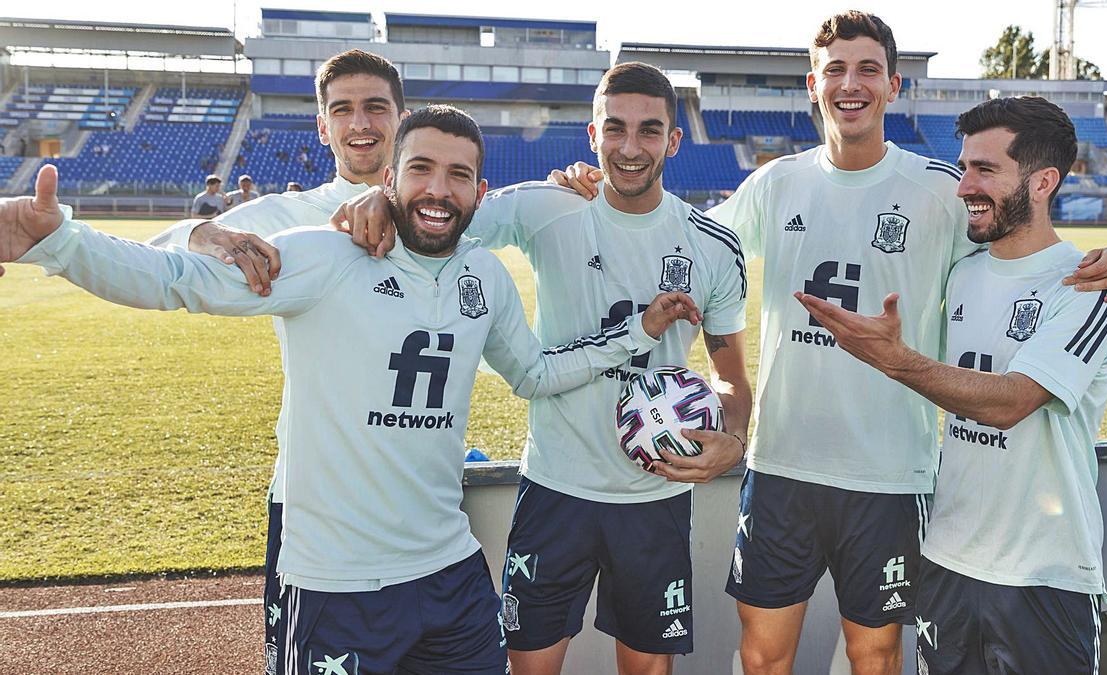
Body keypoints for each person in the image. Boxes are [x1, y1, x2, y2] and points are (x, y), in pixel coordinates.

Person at [1, 105, 701, 675]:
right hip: (337, 584)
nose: (439, 189)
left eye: (459, 176)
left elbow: (536, 374)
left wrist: (638, 328)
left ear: (479, 195)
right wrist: (59, 241)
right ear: (387, 179)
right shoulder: (324, 257)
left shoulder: (482, 279)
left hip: (451, 574)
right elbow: (173, 281)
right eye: (421, 168)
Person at [549, 11, 1107, 675]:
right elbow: (686, 246)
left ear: (891, 87)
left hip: (890, 473)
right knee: (763, 655)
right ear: (813, 83)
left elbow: (1020, 245)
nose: (849, 83)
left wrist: (1106, 260)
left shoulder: (946, 189)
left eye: (867, 69)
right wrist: (604, 194)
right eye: (835, 69)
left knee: (876, 655)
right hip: (782, 467)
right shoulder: (777, 182)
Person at [332, 62, 753, 675]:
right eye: (615, 129)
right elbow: (441, 209)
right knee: (528, 667)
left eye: (649, 130)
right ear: (592, 134)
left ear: (674, 139)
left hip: (653, 495)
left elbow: (731, 375)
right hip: (556, 487)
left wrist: (733, 438)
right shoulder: (545, 207)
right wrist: (378, 193)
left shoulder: (713, 247)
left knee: (649, 668)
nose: (630, 149)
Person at [799, 96, 1107, 675]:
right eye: (963, 167)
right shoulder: (963, 270)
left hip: (1043, 575)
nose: (963, 186)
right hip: (946, 562)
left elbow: (1014, 402)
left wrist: (898, 361)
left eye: (985, 170)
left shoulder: (1088, 287)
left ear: (1043, 182)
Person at [143, 48, 411, 675]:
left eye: (376, 106)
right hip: (311, 499)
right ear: (323, 126)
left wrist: (569, 184)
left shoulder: (442, 214)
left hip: (419, 496)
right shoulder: (289, 215)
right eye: (342, 110)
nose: (360, 123)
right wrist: (198, 233)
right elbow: (155, 259)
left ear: (402, 117)